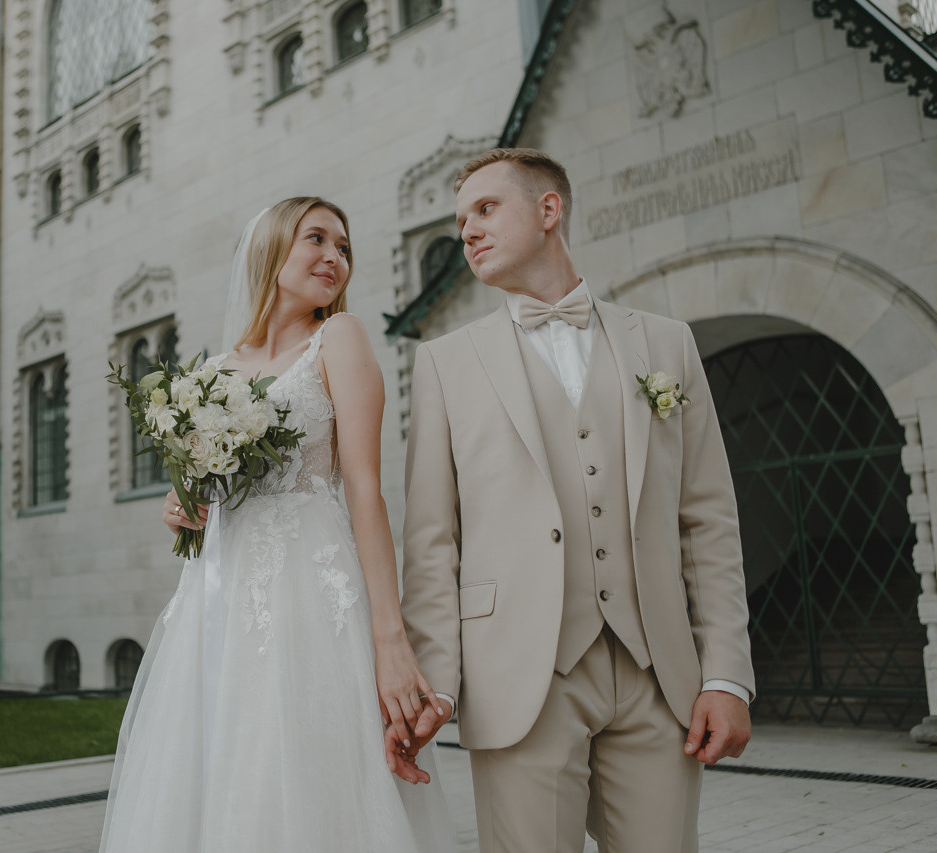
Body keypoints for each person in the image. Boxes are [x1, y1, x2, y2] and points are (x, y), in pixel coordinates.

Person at [392, 148, 756, 852]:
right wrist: (438, 684)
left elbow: (707, 519)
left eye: (486, 209)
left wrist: (728, 676)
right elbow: (432, 543)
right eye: (460, 218)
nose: (466, 230)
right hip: (520, 680)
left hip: (659, 674)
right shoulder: (444, 363)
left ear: (549, 210)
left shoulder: (667, 345)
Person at [99, 197, 454, 852]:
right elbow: (200, 492)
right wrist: (181, 505)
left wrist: (390, 638)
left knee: (307, 773)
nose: (334, 257)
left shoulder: (339, 339)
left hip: (309, 599)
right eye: (316, 238)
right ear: (270, 250)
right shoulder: (210, 373)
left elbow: (367, 491)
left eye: (344, 247)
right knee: (215, 775)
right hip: (215, 604)